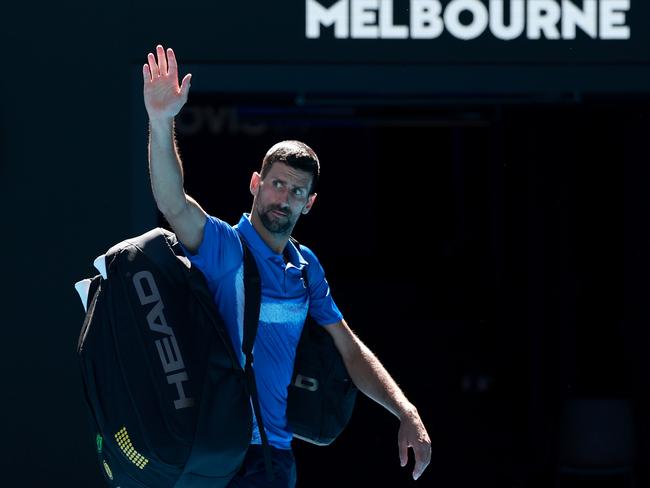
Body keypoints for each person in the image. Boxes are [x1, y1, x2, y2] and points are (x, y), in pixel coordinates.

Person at [142, 44, 431, 487]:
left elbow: (349, 349)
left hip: (273, 458)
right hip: (215, 449)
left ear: (310, 203)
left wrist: (405, 410)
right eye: (277, 185)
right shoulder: (224, 245)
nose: (284, 198)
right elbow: (172, 203)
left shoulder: (306, 266)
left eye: (297, 192)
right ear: (256, 184)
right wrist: (161, 122)